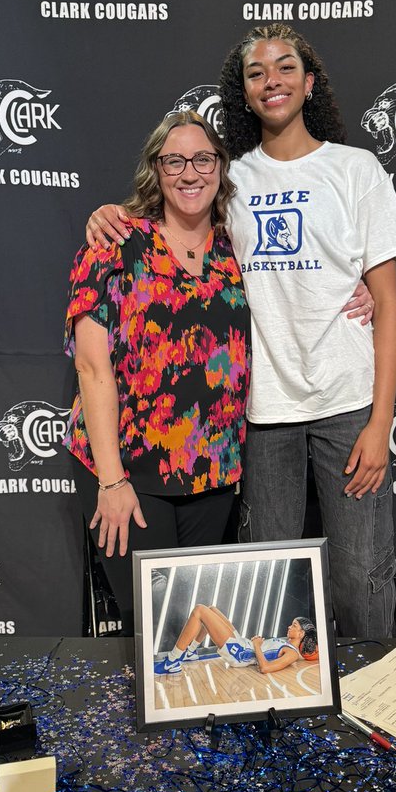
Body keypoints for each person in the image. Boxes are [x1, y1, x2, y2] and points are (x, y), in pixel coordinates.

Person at [87, 24, 396, 637]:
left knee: (360, 575)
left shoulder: (356, 169)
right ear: (243, 91)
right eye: (257, 73)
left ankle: (377, 705)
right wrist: (108, 214)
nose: (273, 82)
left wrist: (381, 421)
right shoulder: (229, 179)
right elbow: (166, 219)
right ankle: (280, 705)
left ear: (309, 82)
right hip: (260, 416)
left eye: (286, 68)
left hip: (347, 404)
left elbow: (390, 306)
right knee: (267, 580)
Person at [64, 110, 250, 632]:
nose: (190, 173)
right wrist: (112, 479)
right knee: (153, 627)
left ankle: (195, 717)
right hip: (129, 470)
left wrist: (360, 290)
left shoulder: (238, 250)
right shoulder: (114, 246)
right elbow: (92, 367)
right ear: (156, 170)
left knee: (199, 624)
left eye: (203, 159)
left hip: (213, 475)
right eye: (175, 161)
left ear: (220, 167)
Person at [153, 604, 318, 676]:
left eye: (294, 626)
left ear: (301, 634)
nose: (289, 626)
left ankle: (172, 661)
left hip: (240, 653)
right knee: (211, 609)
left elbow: (266, 668)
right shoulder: (286, 643)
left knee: (200, 611)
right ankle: (190, 652)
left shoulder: (292, 654)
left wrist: (257, 645)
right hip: (243, 643)